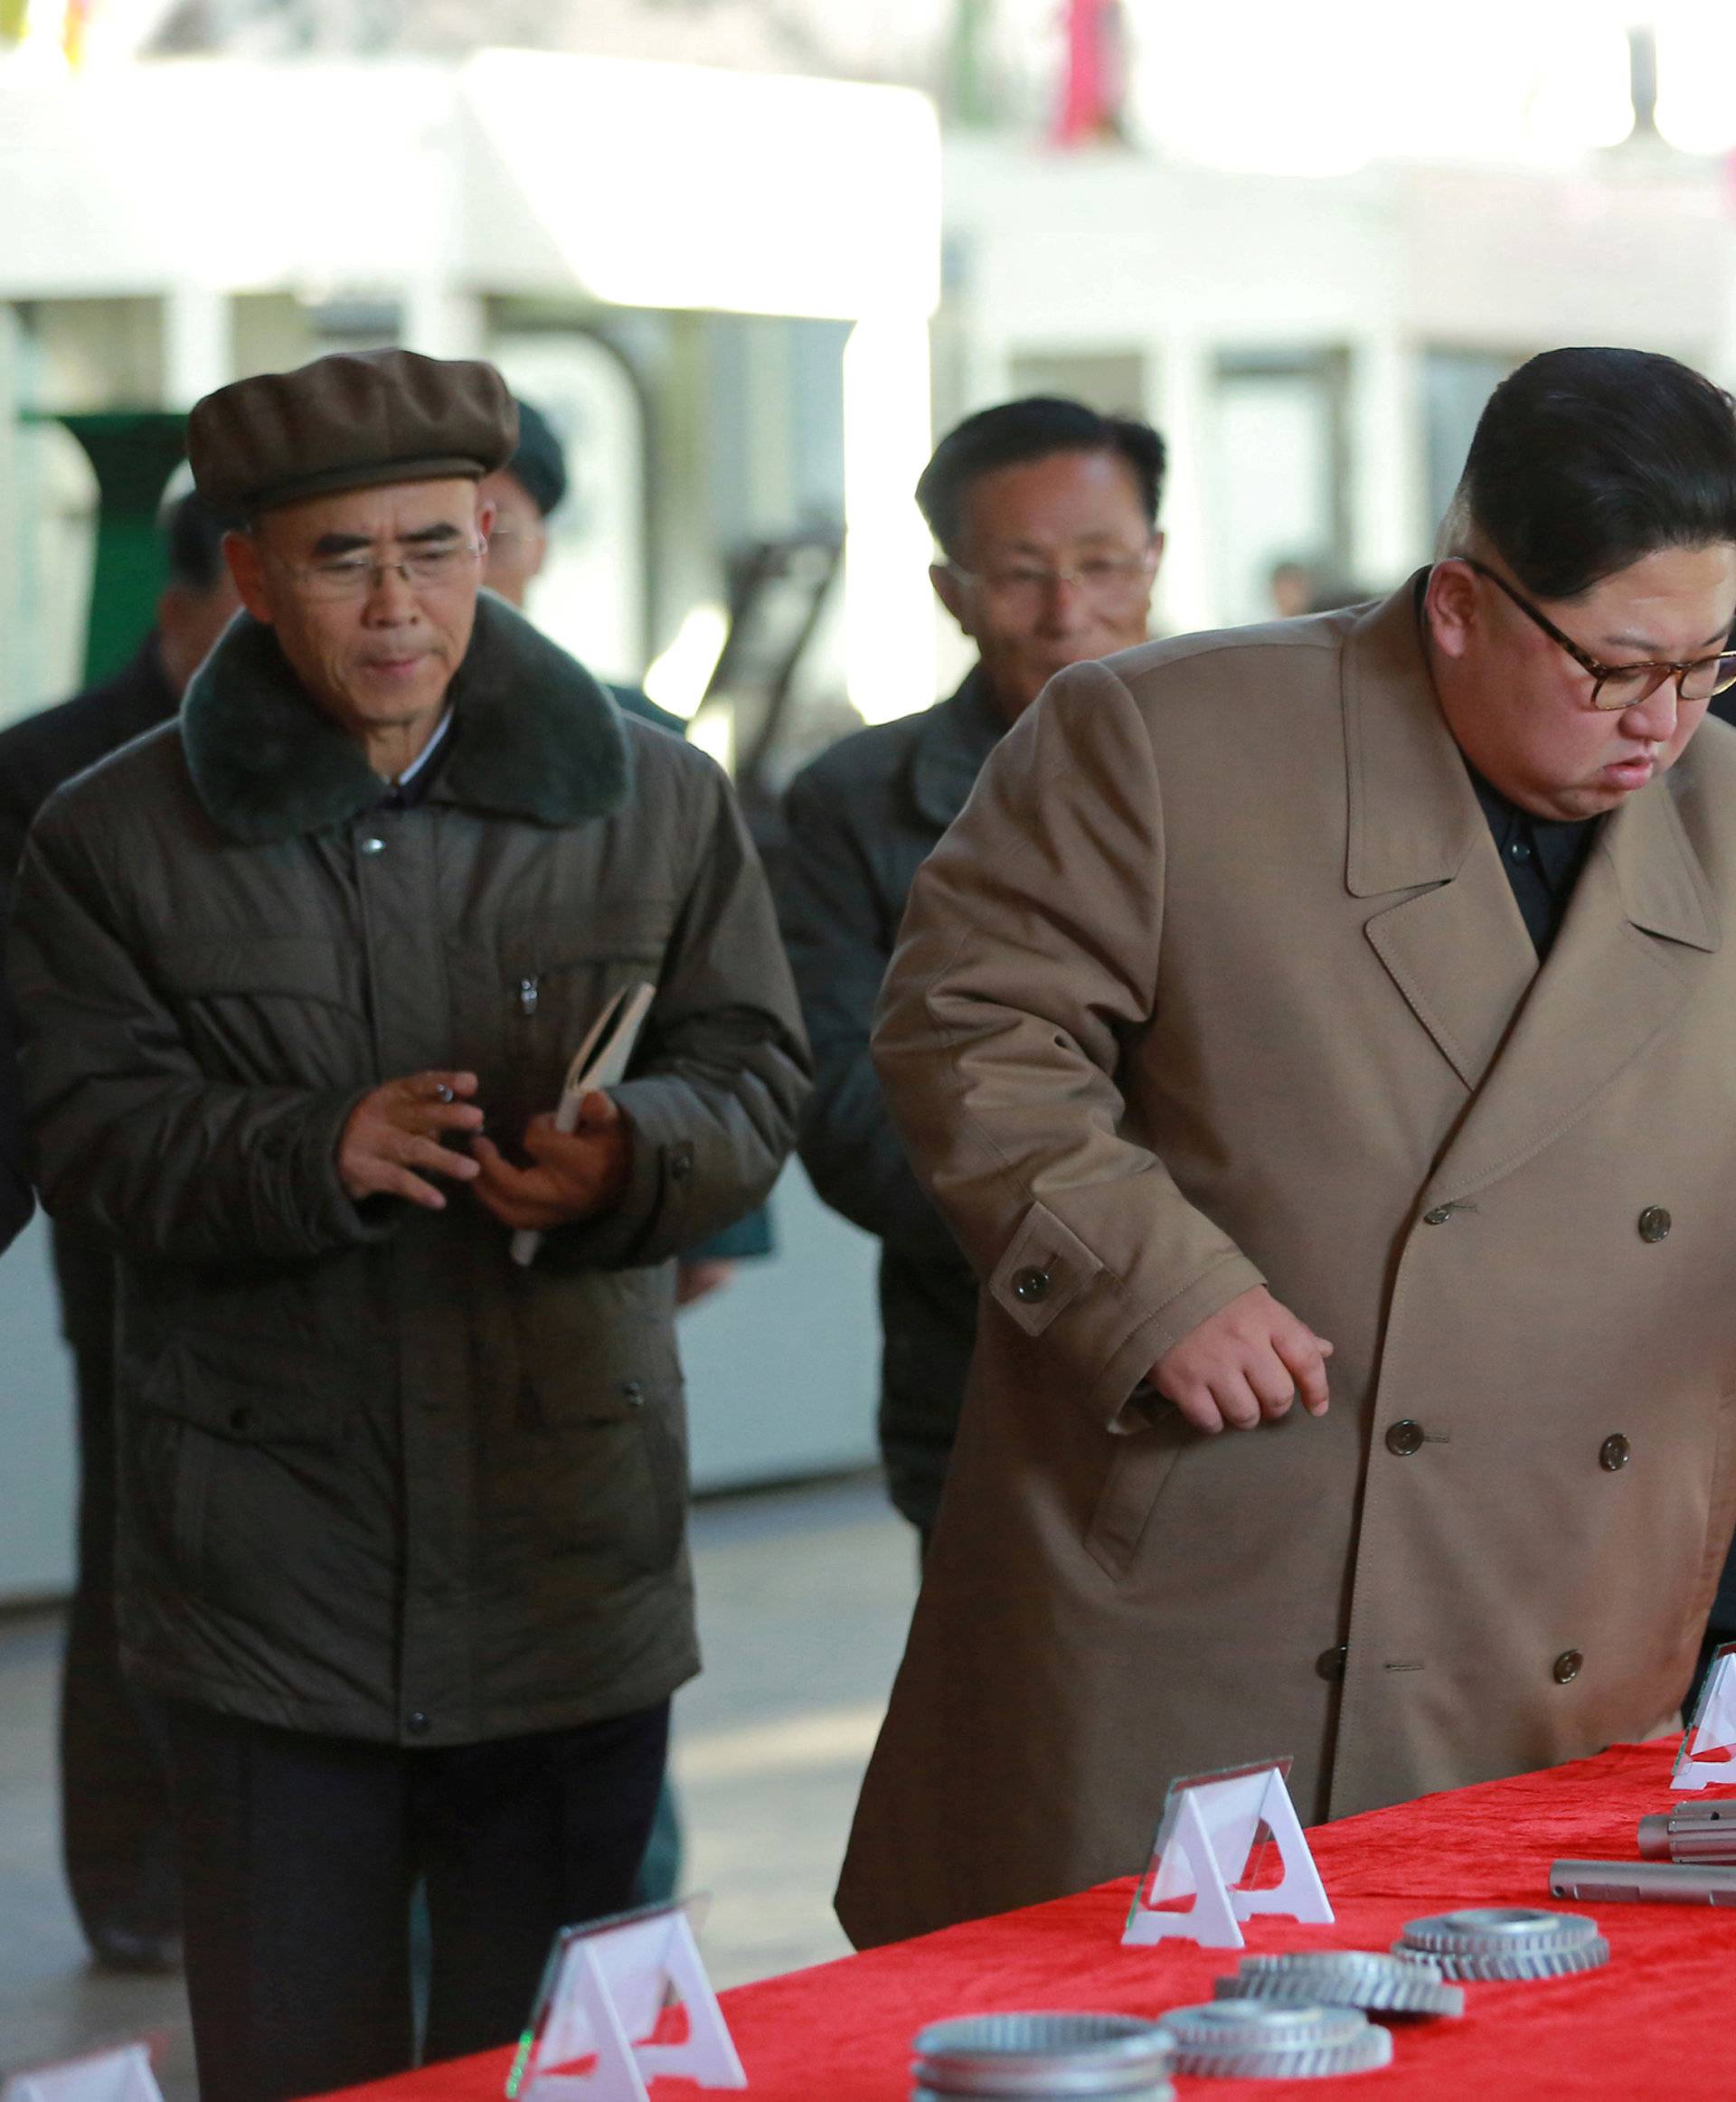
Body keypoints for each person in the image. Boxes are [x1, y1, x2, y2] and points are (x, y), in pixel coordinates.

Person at [835, 345, 1736, 1949]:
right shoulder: (1166, 737)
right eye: (1614, 668)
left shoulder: (1727, 817)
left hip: (1569, 1602)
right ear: (1461, 603)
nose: (1658, 724)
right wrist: (1149, 1281)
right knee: (1135, 2023)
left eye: (1708, 666)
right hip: (1225, 1556)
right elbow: (970, 1029)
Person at [8, 345, 809, 2100]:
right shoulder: (107, 836)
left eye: (439, 546)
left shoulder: (653, 798)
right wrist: (313, 1148)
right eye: (343, 556)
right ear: (251, 576)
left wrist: (634, 1157)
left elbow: (756, 1070)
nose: (400, 602)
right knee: (304, 2063)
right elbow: (81, 1134)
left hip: (564, 1561)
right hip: (263, 1579)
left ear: (502, 537)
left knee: (556, 2070)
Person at [780, 398, 1165, 1546]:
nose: (1068, 613)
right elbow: (849, 1113)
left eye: (1103, 564)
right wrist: (1130, 1253)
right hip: (986, 1376)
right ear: (951, 592)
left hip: (1274, 1358)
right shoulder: (857, 804)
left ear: (1155, 560)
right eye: (1021, 575)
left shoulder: (1280, 770)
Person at [0, 488, 241, 1975]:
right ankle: (138, 1878)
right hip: (130, 1227)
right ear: (182, 606)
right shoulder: (46, 770)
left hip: (338, 1206)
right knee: (139, 1539)